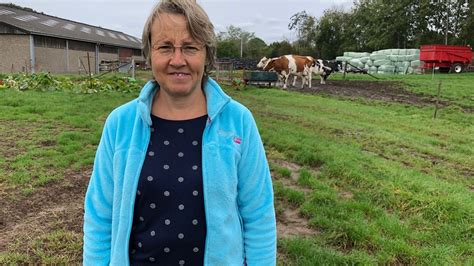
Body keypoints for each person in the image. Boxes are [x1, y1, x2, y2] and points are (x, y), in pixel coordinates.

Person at [82, 0, 276, 265]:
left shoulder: (238, 122)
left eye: (190, 47)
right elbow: (100, 215)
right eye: (165, 47)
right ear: (150, 54)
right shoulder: (120, 124)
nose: (177, 60)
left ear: (206, 54)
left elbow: (258, 215)